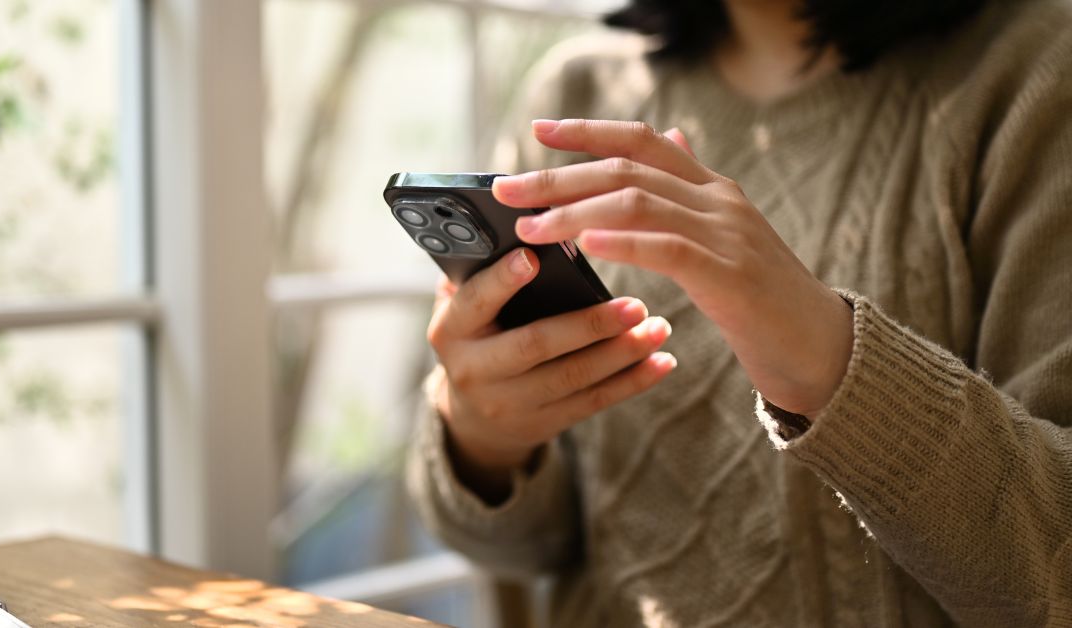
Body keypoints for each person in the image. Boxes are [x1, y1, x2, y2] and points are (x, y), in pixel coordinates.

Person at [406, 0, 1072, 625]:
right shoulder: (578, 93)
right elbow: (526, 551)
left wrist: (835, 365)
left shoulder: (1037, 67)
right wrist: (483, 439)